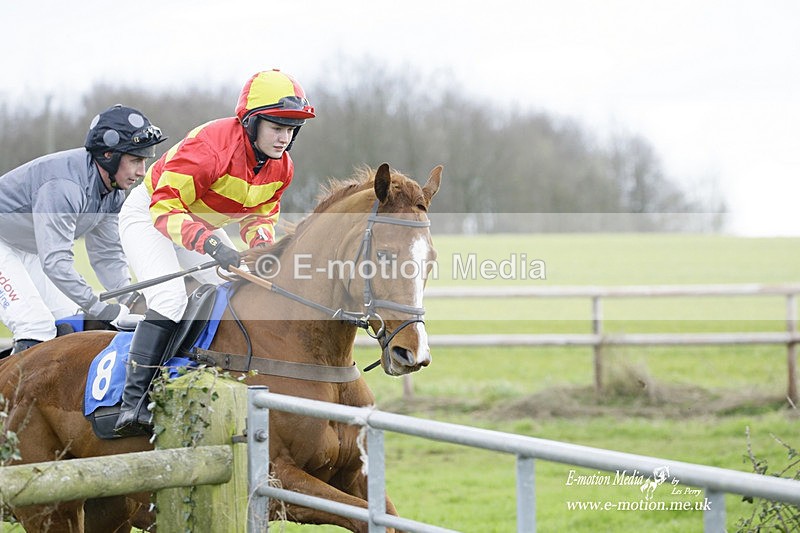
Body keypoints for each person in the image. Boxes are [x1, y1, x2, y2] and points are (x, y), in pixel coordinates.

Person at [115, 69, 316, 436]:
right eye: (276, 127)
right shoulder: (211, 147)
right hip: (151, 214)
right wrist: (208, 242)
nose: (284, 138)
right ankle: (134, 402)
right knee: (171, 298)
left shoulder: (282, 167)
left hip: (198, 222)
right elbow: (165, 207)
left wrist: (261, 250)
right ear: (251, 123)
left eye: (291, 129)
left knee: (236, 289)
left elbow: (260, 215)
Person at [0, 104, 166, 356]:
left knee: (70, 325)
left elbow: (107, 255)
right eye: (135, 160)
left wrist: (130, 300)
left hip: (25, 246)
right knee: (35, 326)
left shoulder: (114, 192)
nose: (142, 172)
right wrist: (101, 309)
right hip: (8, 244)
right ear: (108, 155)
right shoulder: (64, 187)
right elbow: (55, 261)